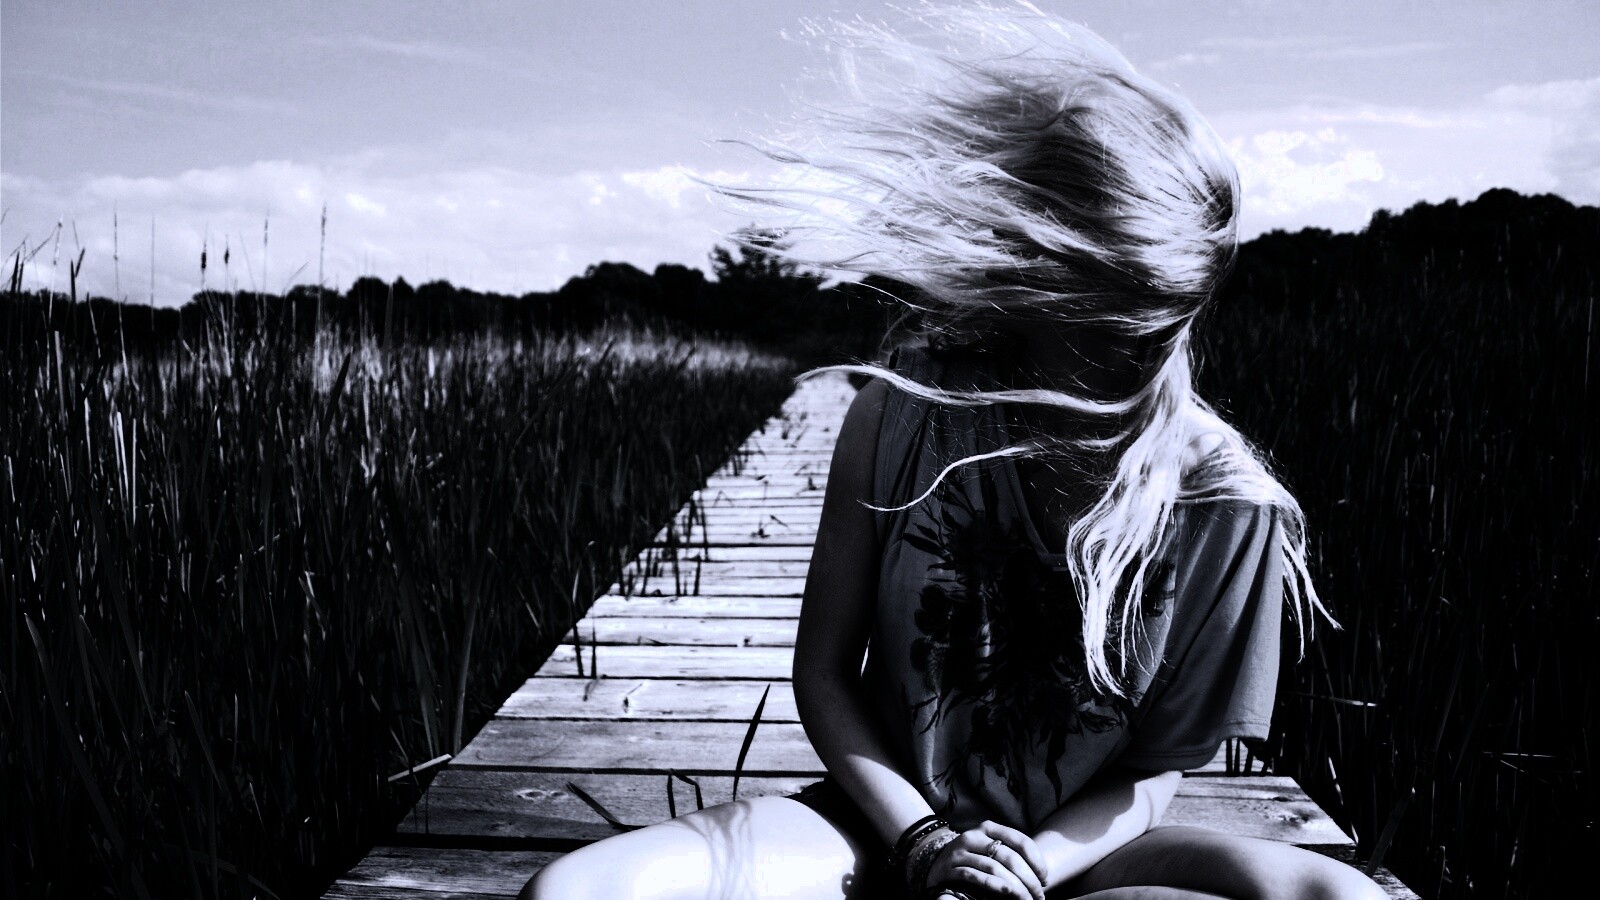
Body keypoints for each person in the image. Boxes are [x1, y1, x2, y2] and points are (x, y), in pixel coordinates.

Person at [523, 4, 1387, 898]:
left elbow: (1154, 768)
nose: (1125, 355)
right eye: (1094, 316)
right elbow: (824, 674)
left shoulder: (1225, 502)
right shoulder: (901, 414)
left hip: (1082, 858)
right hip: (878, 829)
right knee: (575, 892)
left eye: (1147, 321)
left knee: (1345, 896)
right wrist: (927, 842)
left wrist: (1029, 866)